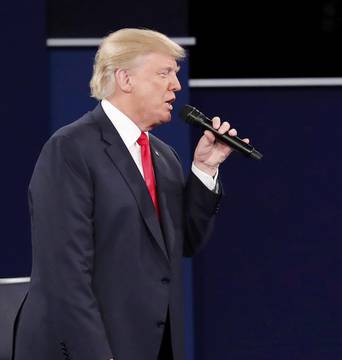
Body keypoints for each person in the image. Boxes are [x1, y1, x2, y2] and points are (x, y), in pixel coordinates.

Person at [14, 28, 248, 360]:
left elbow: (185, 242)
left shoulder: (163, 155)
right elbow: (65, 273)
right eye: (164, 73)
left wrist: (205, 170)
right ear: (125, 79)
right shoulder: (70, 149)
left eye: (176, 75)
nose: (176, 86)